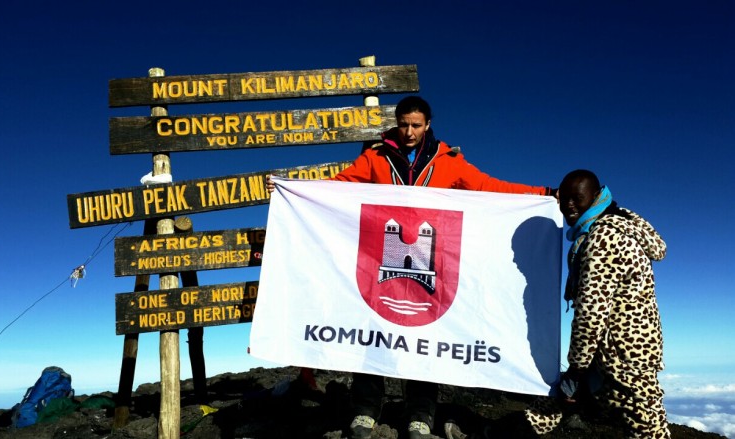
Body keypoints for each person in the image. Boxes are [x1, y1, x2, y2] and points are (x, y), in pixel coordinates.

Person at [268, 96, 554, 439]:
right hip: (377, 261)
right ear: (396, 122)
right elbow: (340, 185)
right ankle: (365, 410)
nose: (408, 132)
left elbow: (489, 187)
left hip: (431, 263)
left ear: (428, 125)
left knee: (425, 339)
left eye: (416, 125)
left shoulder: (449, 162)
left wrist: (544, 192)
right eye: (403, 124)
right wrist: (293, 189)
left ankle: (420, 414)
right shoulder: (376, 157)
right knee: (371, 333)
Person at [446, 169, 669, 439]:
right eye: (565, 199)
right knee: (551, 407)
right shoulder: (616, 226)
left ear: (596, 197)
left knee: (648, 430)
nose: (570, 205)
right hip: (618, 351)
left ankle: (487, 433)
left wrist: (576, 369)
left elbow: (591, 312)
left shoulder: (602, 240)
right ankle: (488, 433)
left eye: (578, 198)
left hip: (622, 358)